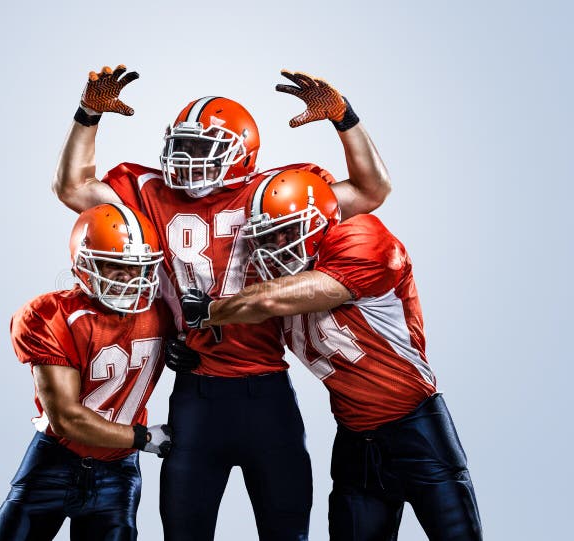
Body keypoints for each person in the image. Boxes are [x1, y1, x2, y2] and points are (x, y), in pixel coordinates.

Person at [53, 64, 391, 541]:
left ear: (241, 153)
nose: (184, 158)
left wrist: (345, 119)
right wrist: (88, 115)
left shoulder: (274, 193)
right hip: (196, 390)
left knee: (287, 530)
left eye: (200, 146)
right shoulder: (151, 191)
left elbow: (371, 190)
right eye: (181, 144)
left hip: (267, 387)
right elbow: (72, 188)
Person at [181, 169, 483, 541]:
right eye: (269, 237)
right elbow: (248, 332)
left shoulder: (364, 241)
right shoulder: (270, 284)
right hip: (354, 440)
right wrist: (185, 344)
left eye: (288, 232)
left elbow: (269, 299)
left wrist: (209, 312)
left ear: (322, 222)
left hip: (417, 431)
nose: (278, 245)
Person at [0, 203, 176, 541]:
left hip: (118, 473)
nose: (128, 279)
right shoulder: (51, 314)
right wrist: (143, 438)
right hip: (55, 461)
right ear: (85, 266)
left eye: (137, 268)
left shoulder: (164, 312)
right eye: (115, 266)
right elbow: (66, 419)